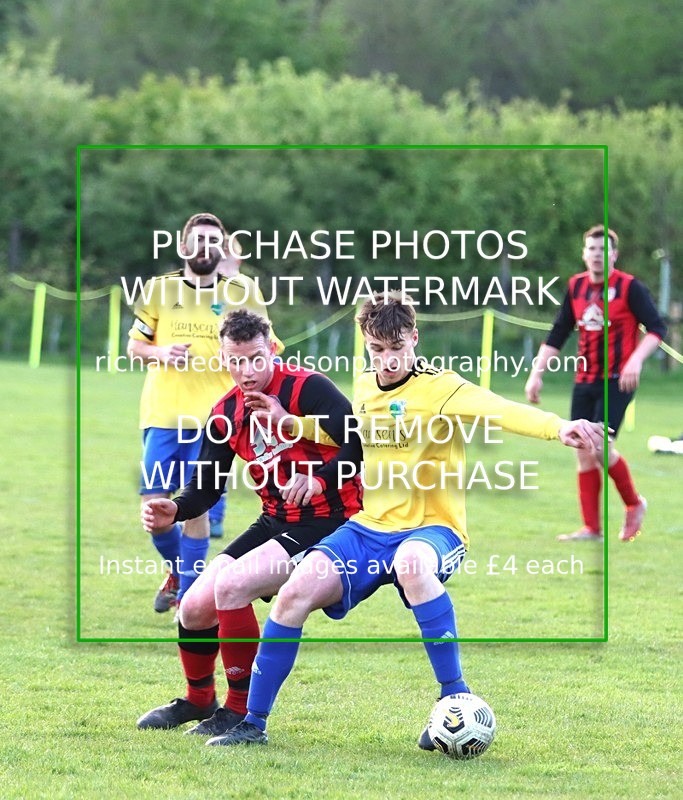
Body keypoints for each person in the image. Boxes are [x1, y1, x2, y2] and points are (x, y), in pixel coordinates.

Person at [204, 291, 606, 749]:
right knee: (293, 593)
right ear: (366, 345)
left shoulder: (443, 388)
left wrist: (559, 427)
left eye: (397, 348)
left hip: (434, 529)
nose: (388, 360)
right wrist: (292, 423)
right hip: (371, 527)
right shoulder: (365, 385)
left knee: (413, 563)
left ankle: (455, 698)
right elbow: (354, 435)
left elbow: (501, 410)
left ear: (414, 338)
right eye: (377, 350)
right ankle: (253, 723)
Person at [136, 309, 362, 733]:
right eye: (235, 360)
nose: (246, 370)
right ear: (223, 359)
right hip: (276, 519)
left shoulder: (308, 388)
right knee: (195, 607)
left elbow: (358, 445)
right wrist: (177, 509)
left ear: (272, 350)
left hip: (331, 520)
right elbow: (205, 488)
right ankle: (199, 700)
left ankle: (239, 711)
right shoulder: (225, 413)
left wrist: (317, 477)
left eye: (256, 358)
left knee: (233, 585)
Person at [127, 212, 280, 612]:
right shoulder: (159, 289)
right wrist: (160, 352)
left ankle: (191, 596)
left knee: (197, 504)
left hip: (218, 419)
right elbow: (134, 348)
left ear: (222, 249)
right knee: (154, 506)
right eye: (198, 240)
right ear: (182, 247)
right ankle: (179, 572)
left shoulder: (243, 291)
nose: (205, 248)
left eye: (214, 241)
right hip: (163, 415)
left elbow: (271, 348)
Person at [525, 224, 667, 542]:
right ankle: (592, 528)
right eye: (591, 249)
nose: (597, 255)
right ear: (583, 253)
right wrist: (537, 372)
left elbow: (657, 328)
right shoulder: (575, 287)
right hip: (584, 379)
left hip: (617, 380)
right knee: (582, 449)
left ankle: (634, 504)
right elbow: (559, 332)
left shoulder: (630, 287)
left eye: (603, 250)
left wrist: (636, 360)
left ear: (614, 255)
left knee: (600, 445)